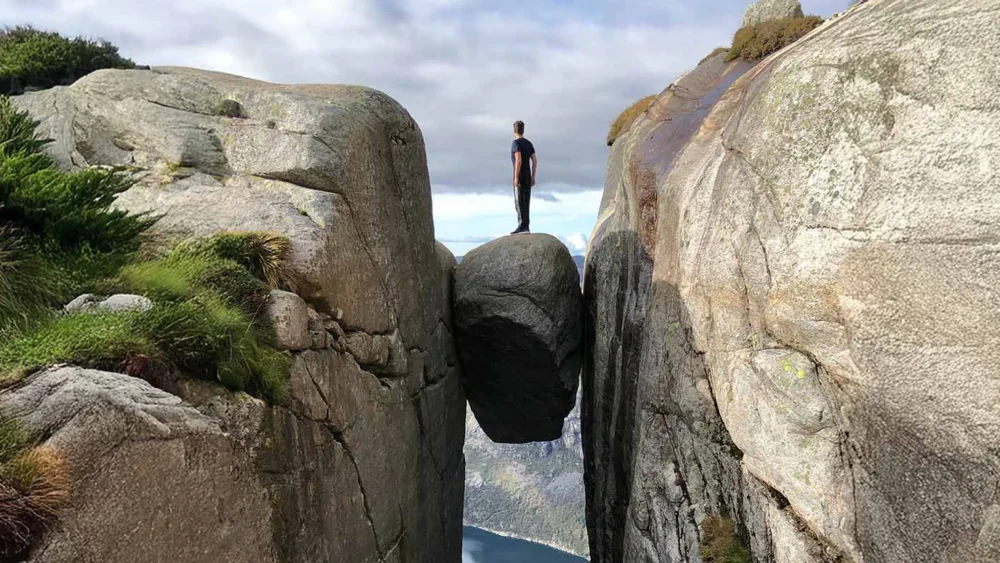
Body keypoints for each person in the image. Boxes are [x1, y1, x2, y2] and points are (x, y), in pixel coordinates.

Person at [510, 120, 538, 235]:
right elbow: (535, 160)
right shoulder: (529, 143)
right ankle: (526, 226)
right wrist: (533, 176)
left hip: (520, 176)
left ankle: (522, 227)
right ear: (523, 130)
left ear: (514, 131)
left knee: (519, 201)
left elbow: (518, 159)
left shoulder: (515, 143)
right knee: (526, 201)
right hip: (528, 175)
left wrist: (516, 177)